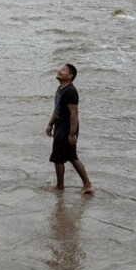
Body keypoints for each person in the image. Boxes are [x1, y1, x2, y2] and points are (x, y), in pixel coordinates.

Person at [46, 64, 92, 194]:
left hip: (67, 129)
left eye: (63, 70)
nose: (59, 70)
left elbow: (74, 113)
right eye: (60, 69)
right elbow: (57, 109)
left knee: (65, 157)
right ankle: (65, 186)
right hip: (60, 127)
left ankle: (65, 187)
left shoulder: (71, 91)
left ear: (70, 76)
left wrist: (72, 133)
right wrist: (50, 124)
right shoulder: (61, 89)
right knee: (64, 157)